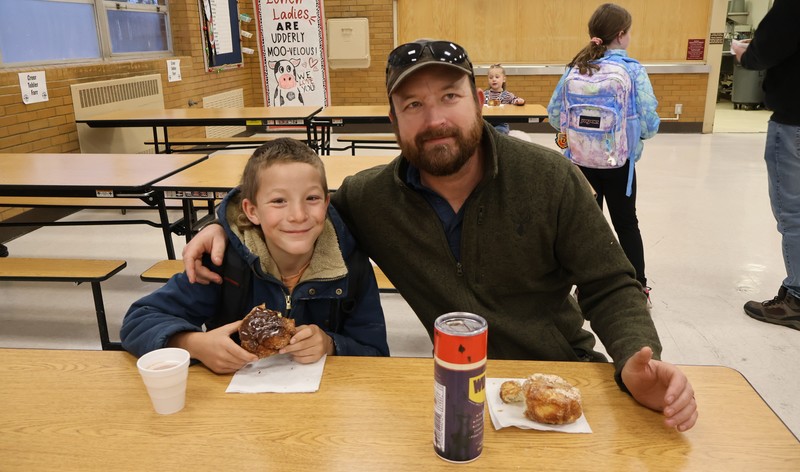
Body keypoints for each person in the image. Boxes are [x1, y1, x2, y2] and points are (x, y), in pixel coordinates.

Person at [183, 39, 698, 431]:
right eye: (412, 105)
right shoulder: (372, 198)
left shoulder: (549, 178)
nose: (434, 120)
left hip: (555, 375)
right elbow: (297, 207)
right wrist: (223, 220)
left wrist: (634, 359)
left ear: (478, 100)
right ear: (393, 120)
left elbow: (609, 284)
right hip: (452, 387)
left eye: (449, 97)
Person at [121, 138, 389, 373]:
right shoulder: (224, 263)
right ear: (252, 211)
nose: (298, 215)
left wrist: (332, 344)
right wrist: (195, 345)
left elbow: (376, 354)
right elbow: (138, 321)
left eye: (312, 198)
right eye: (278, 201)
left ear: (326, 202)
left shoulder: (350, 267)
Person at [547, 3, 659, 305]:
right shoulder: (633, 70)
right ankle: (639, 287)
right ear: (621, 35)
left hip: (580, 163)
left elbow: (555, 115)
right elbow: (649, 123)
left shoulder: (576, 67)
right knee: (626, 223)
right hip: (619, 163)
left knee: (585, 225)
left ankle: (585, 287)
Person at [732, 0, 800, 331]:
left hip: (794, 119)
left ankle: (797, 300)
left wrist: (747, 53)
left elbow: (768, 48)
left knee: (795, 213)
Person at [483, 63, 525, 134]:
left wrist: (518, 101)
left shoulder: (507, 95)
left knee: (499, 132)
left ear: (504, 79)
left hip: (501, 124)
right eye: (491, 77)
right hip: (486, 123)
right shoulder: (484, 94)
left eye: (497, 77)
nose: (494, 79)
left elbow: (515, 100)